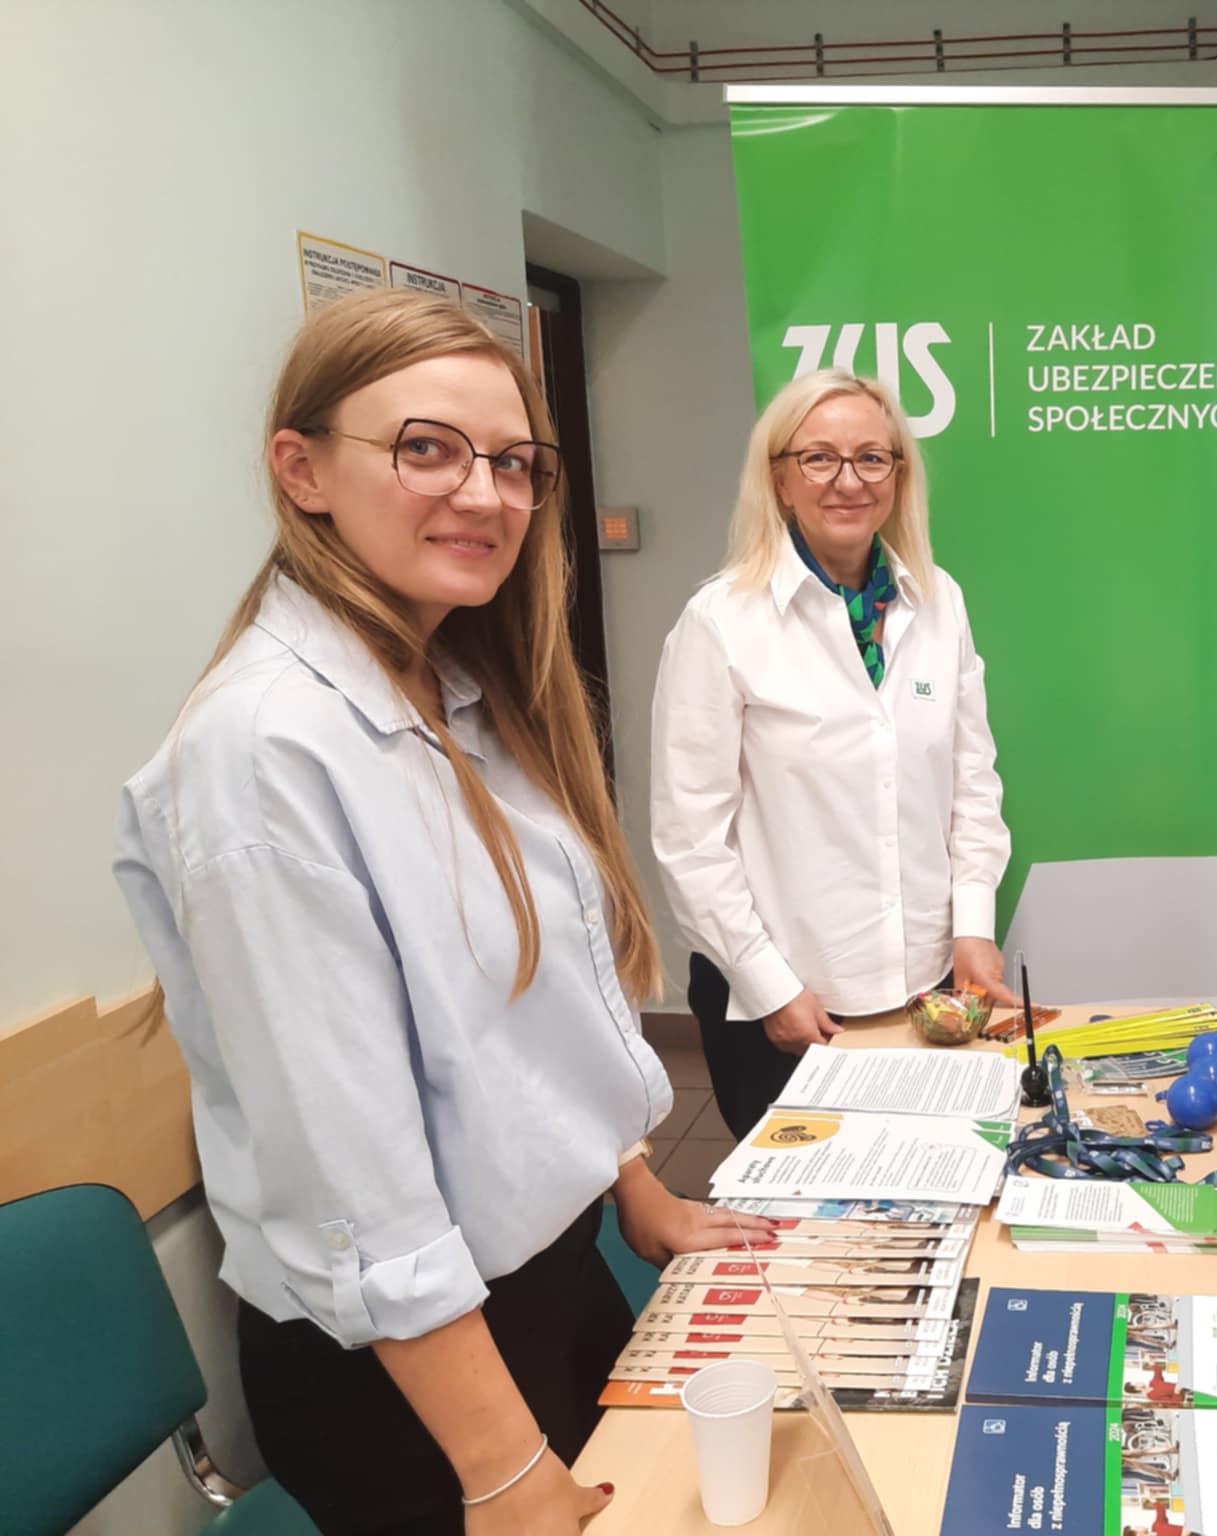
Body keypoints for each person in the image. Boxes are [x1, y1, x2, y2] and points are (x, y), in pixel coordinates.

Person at [112, 290, 774, 1536]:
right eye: (427, 448)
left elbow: (523, 1022)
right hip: (415, 1382)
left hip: (546, 1285)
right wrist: (504, 1470)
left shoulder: (462, 685)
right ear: (301, 470)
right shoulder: (263, 750)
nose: (484, 493)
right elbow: (351, 1177)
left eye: (514, 462)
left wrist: (634, 1185)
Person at [651, 368, 1016, 1137]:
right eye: (819, 458)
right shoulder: (721, 622)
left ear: (898, 475)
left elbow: (972, 783)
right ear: (779, 479)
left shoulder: (939, 602)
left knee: (926, 1181)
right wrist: (769, 987)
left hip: (926, 991)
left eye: (872, 458)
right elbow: (690, 841)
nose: (849, 481)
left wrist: (974, 926)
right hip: (786, 1006)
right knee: (809, 1207)